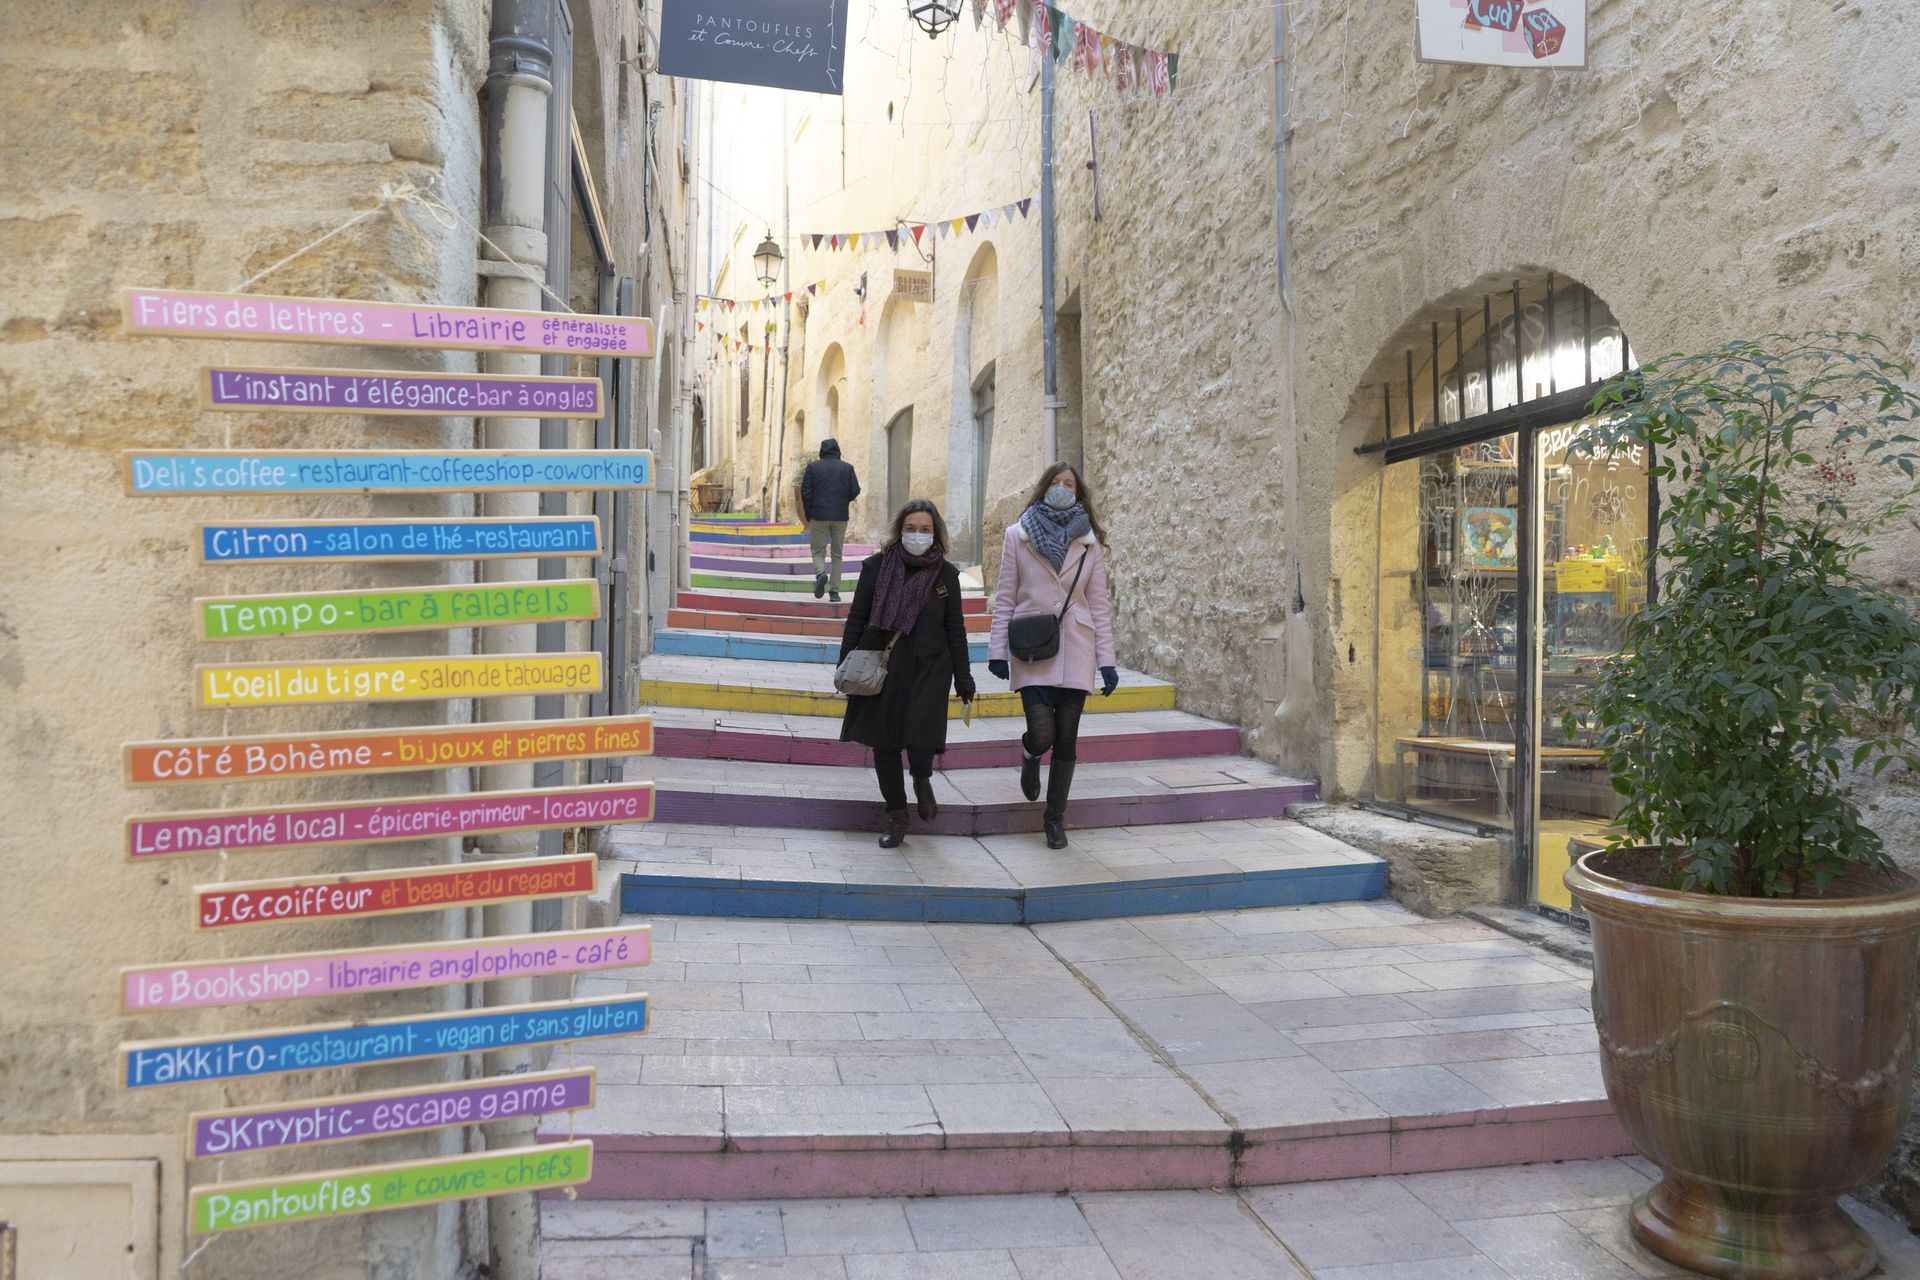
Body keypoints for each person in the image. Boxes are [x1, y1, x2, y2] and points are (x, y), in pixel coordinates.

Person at [987, 463, 1119, 849]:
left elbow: (1098, 604)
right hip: (1033, 648)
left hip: (1078, 647)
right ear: (1043, 488)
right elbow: (1006, 594)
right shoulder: (1017, 535)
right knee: (1043, 733)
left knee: (1067, 740)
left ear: (1079, 495)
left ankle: (1054, 819)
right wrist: (998, 651)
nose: (1062, 488)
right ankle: (1029, 752)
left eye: (1069, 485)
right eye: (1055, 483)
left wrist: (1107, 661)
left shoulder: (1089, 543)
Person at [840, 500, 977, 848]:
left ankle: (921, 778)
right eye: (911, 528)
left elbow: (955, 628)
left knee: (921, 739)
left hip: (931, 669)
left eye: (925, 529)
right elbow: (857, 618)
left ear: (936, 533)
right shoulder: (876, 568)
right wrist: (847, 664)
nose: (918, 535)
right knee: (885, 746)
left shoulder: (946, 575)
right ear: (900, 530)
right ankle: (897, 815)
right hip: (885, 667)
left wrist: (964, 677)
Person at [800, 438, 860, 602]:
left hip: (818, 515)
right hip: (840, 516)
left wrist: (808, 513)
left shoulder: (813, 467)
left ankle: (820, 574)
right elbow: (855, 490)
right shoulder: (847, 468)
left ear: (822, 451)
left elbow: (805, 492)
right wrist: (842, 500)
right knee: (837, 554)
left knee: (818, 551)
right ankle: (834, 592)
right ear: (837, 450)